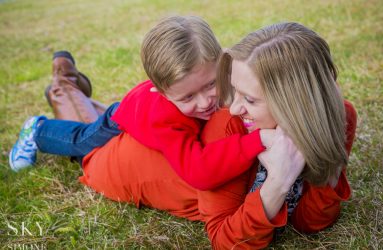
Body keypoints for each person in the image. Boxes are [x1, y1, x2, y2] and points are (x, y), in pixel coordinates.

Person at [10, 21, 357, 248]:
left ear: (298, 104)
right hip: (116, 164)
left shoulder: (335, 118)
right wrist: (277, 183)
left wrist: (323, 151)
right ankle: (59, 89)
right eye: (234, 92)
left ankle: (68, 78)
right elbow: (225, 239)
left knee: (106, 115)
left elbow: (311, 221)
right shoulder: (229, 126)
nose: (230, 106)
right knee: (84, 140)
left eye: (248, 99)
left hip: (150, 133)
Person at [9, 16, 271, 191]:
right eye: (187, 97)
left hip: (139, 105)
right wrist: (256, 141)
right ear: (163, 93)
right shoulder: (166, 120)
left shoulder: (227, 74)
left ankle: (74, 89)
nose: (206, 102)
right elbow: (197, 172)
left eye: (211, 84)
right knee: (80, 140)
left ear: (221, 62)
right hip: (121, 117)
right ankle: (38, 130)